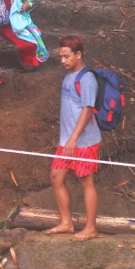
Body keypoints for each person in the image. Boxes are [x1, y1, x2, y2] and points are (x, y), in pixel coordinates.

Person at [47, 36, 101, 241]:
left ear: (79, 55)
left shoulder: (87, 78)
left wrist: (74, 139)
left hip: (84, 142)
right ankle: (67, 223)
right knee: (56, 177)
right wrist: (67, 140)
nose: (63, 60)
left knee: (86, 181)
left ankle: (91, 228)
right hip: (67, 141)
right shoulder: (69, 76)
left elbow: (87, 111)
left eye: (66, 56)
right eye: (61, 56)